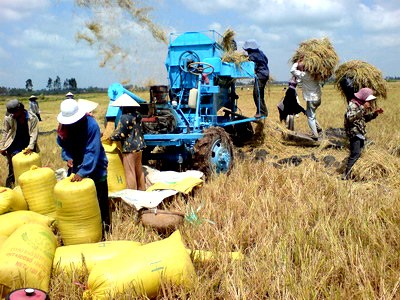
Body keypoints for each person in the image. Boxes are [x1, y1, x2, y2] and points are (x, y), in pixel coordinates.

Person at [56, 98, 110, 232]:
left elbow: (92, 150)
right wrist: (67, 157)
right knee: (79, 203)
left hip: (95, 166)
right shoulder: (64, 128)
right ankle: (82, 231)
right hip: (76, 166)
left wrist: (83, 171)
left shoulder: (91, 126)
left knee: (99, 200)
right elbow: (64, 146)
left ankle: (105, 230)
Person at [342, 87, 383, 180]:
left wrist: (374, 114)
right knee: (355, 153)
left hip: (359, 132)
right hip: (354, 132)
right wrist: (362, 108)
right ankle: (346, 174)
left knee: (358, 153)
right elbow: (350, 118)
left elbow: (362, 119)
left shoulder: (359, 104)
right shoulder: (353, 105)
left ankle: (352, 173)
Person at [109, 94, 146, 190]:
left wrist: (110, 137)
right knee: (139, 170)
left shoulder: (125, 117)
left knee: (130, 172)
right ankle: (142, 190)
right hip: (139, 146)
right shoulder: (138, 115)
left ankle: (132, 194)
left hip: (130, 148)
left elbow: (121, 134)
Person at [0, 99, 39, 187]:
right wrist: (2, 146)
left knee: (31, 169)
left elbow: (34, 133)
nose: (12, 115)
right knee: (13, 170)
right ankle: (10, 190)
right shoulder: (8, 117)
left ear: (20, 110)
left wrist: (30, 146)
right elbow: (5, 132)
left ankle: (31, 188)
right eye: (11, 113)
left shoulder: (32, 118)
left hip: (27, 144)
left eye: (14, 113)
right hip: (13, 145)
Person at [291, 60, 323, 140]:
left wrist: (297, 63)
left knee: (310, 117)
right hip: (318, 99)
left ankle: (315, 134)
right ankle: (318, 128)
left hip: (311, 99)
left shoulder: (305, 75)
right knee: (311, 114)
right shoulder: (317, 75)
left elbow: (292, 70)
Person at [243, 39, 270, 117]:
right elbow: (266, 60)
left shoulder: (252, 55)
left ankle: (262, 112)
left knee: (257, 94)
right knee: (260, 94)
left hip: (260, 75)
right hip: (265, 73)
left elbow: (249, 62)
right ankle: (263, 111)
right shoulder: (261, 53)